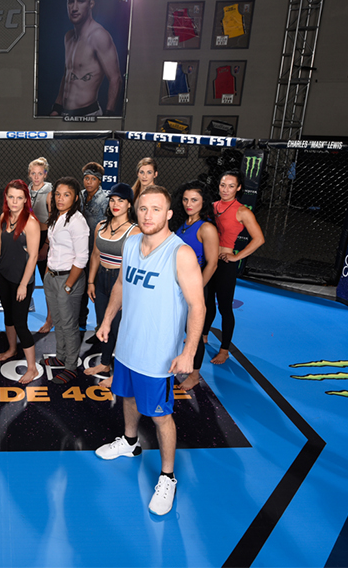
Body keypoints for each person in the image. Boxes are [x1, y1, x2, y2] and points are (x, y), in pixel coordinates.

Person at [94, 185, 205, 516]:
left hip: (158, 354)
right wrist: (108, 320)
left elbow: (197, 306)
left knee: (160, 416)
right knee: (127, 397)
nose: (148, 215)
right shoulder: (130, 243)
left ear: (169, 214)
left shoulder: (180, 253)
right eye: (143, 208)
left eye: (156, 209)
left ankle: (168, 476)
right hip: (128, 345)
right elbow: (120, 285)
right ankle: (130, 442)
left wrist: (189, 351)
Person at [202, 170, 265, 365]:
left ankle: (224, 350)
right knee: (206, 303)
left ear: (238, 188)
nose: (225, 189)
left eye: (231, 186)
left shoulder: (242, 211)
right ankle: (203, 336)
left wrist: (237, 256)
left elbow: (259, 239)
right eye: (223, 185)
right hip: (208, 261)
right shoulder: (212, 206)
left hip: (225, 263)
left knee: (225, 307)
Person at [85, 183, 139, 385]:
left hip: (121, 281)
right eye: (113, 200)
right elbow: (95, 255)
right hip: (101, 279)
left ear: (129, 204)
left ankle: (120, 374)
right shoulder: (101, 225)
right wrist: (91, 281)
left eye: (121, 200)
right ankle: (105, 363)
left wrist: (129, 293)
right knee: (103, 324)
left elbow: (135, 265)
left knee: (119, 329)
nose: (116, 204)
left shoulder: (135, 231)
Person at [169, 180, 219, 391]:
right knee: (174, 328)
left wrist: (196, 289)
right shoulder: (181, 223)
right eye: (186, 199)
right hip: (175, 285)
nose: (189, 204)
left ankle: (194, 375)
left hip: (193, 287)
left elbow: (212, 263)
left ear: (203, 202)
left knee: (193, 333)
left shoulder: (206, 228)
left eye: (194, 200)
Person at [0, 179, 41, 384]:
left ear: (25, 200)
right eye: (11, 197)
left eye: (19, 198)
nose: (14, 201)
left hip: (21, 280)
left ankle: (32, 368)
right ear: (6, 197)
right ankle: (12, 349)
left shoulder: (31, 223)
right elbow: (0, 247)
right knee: (8, 316)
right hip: (4, 276)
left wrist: (23, 284)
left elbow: (34, 257)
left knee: (21, 323)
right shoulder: (4, 217)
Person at [49, 0, 122, 116]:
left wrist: (109, 116)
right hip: (65, 115)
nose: (74, 8)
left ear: (90, 4)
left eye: (80, 1)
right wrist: (57, 107)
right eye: (71, 1)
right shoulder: (68, 37)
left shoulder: (99, 36)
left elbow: (115, 78)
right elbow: (68, 73)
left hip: (89, 115)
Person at [44, 176, 90, 385]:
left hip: (69, 278)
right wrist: (47, 273)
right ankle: (61, 356)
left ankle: (71, 366)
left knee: (69, 324)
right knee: (59, 321)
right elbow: (53, 248)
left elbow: (82, 258)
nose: (60, 198)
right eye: (58, 194)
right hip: (52, 277)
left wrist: (69, 285)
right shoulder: (56, 216)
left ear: (75, 198)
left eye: (66, 195)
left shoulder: (77, 221)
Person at [80, 162, 108, 329]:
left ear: (99, 181)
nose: (89, 182)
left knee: (98, 291)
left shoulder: (105, 200)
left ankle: (101, 327)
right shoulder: (80, 196)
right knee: (80, 289)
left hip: (97, 252)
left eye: (93, 179)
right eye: (86, 178)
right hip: (80, 250)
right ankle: (80, 323)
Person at [28, 157, 55, 334]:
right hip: (29, 237)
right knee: (26, 277)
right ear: (29, 175)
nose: (36, 177)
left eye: (40, 173)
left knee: (47, 281)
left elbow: (53, 221)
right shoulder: (26, 190)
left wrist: (46, 245)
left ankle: (50, 319)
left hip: (45, 237)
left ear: (45, 174)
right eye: (33, 173)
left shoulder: (50, 192)